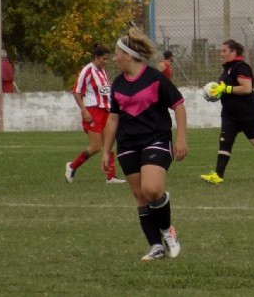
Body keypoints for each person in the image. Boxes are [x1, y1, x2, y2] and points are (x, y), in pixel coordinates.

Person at [102, 28, 187, 261]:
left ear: (128, 55)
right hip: (128, 143)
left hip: (156, 139)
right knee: (140, 195)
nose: (113, 57)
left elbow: (178, 105)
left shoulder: (155, 78)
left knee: (152, 189)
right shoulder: (117, 84)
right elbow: (113, 118)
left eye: (117, 53)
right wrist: (106, 151)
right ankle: (155, 247)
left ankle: (168, 231)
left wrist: (180, 138)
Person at [200, 39, 254, 185]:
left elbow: (247, 88)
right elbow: (224, 89)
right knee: (225, 141)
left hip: (248, 112)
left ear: (233, 52)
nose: (221, 54)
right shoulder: (228, 68)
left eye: (224, 51)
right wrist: (215, 94)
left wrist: (225, 89)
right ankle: (218, 175)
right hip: (230, 114)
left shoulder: (241, 67)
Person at [65, 44, 124, 184]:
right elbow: (76, 92)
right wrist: (84, 111)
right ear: (96, 57)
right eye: (103, 59)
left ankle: (111, 177)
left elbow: (105, 91)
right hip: (92, 111)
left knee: (108, 143)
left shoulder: (102, 71)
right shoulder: (87, 70)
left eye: (108, 59)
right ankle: (72, 166)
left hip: (105, 111)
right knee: (95, 147)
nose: (106, 62)